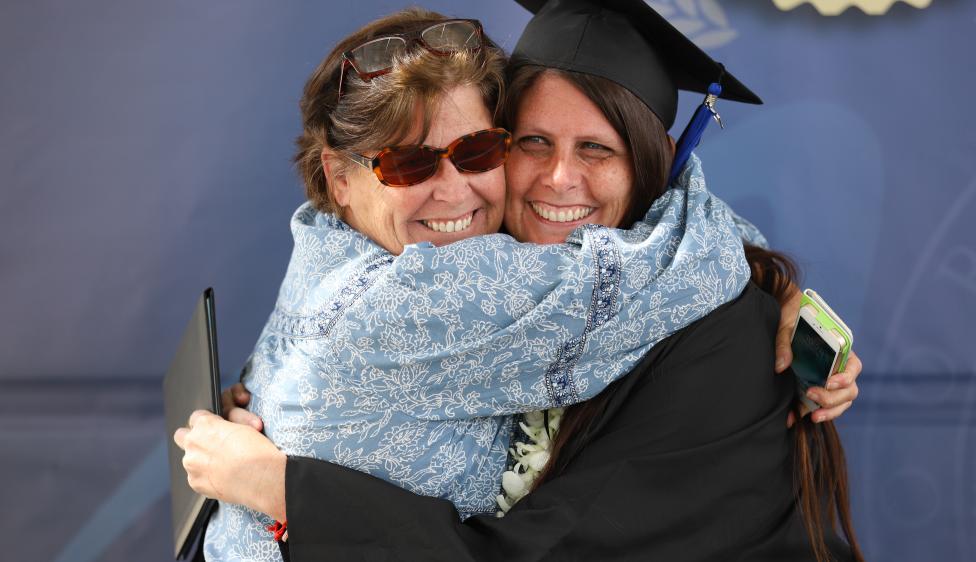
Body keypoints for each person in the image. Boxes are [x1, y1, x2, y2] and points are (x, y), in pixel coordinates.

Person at [175, 2, 863, 560]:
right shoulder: (467, 285)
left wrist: (286, 487)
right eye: (531, 142)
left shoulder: (718, 340)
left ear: (652, 166)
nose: (558, 179)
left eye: (597, 149)